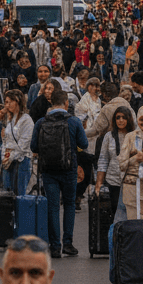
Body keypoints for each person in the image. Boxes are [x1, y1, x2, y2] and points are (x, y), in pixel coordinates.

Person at [30, 90, 89, 258]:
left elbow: (34, 147)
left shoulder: (41, 122)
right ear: (66, 104)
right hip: (69, 169)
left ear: (51, 103)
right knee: (69, 204)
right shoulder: (74, 122)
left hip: (48, 170)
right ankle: (68, 244)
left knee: (53, 206)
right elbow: (84, 144)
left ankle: (55, 246)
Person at [94, 107, 136, 224]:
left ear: (129, 119)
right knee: (115, 214)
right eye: (118, 118)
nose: (121, 120)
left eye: (123, 117)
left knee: (130, 214)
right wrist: (98, 183)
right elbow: (103, 159)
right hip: (113, 181)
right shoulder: (109, 136)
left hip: (131, 181)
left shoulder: (135, 136)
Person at [0, 90, 34, 197]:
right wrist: (4, 156)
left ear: (17, 101)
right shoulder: (10, 120)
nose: (7, 105)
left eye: (9, 102)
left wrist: (10, 157)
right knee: (7, 193)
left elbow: (24, 144)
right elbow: (6, 140)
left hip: (21, 160)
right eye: (6, 102)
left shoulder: (27, 120)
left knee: (20, 194)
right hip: (8, 160)